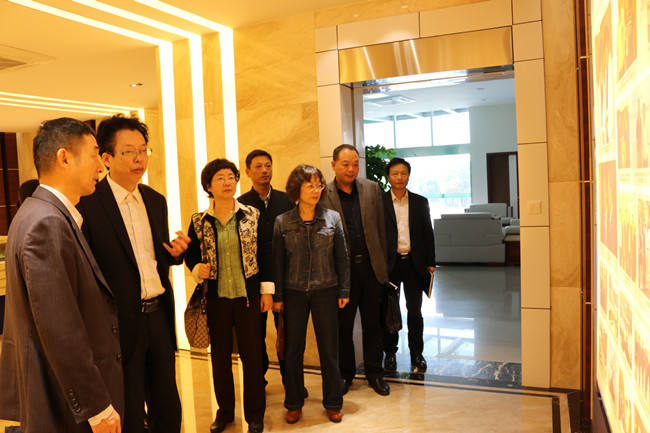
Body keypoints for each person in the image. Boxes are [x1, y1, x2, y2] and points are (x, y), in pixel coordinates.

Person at [0, 117, 123, 433]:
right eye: (94, 153)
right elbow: (61, 328)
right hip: (63, 406)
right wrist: (97, 408)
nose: (101, 166)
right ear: (65, 158)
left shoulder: (36, 212)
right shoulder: (47, 223)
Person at [76, 114, 188, 433]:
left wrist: (175, 255)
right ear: (107, 158)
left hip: (159, 316)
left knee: (167, 403)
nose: (139, 158)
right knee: (129, 404)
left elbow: (151, 260)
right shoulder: (88, 205)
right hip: (119, 324)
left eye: (143, 150)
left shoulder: (155, 200)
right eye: (129, 152)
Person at [185, 158, 273, 433]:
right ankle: (224, 413)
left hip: (248, 299)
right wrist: (198, 269)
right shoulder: (199, 221)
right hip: (217, 300)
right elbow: (191, 256)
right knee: (220, 359)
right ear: (208, 186)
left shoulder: (252, 215)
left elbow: (265, 253)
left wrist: (267, 291)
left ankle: (255, 415)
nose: (227, 182)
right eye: (220, 178)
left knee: (253, 358)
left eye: (231, 177)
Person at [272, 164, 350, 424]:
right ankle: (294, 403)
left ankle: (333, 403)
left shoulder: (332, 218)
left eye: (319, 185)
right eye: (309, 185)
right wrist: (278, 296)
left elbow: (342, 257)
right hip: (293, 292)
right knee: (293, 350)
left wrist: (344, 289)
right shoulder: (283, 222)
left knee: (329, 350)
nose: (316, 190)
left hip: (326, 290)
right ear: (297, 189)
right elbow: (277, 262)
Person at [320, 144, 391, 396]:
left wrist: (384, 268)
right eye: (345, 164)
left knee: (374, 324)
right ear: (333, 165)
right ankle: (345, 374)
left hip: (371, 269)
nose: (351, 169)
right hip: (342, 273)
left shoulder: (371, 188)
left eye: (355, 164)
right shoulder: (323, 194)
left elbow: (381, 230)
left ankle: (375, 373)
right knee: (343, 327)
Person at [237, 149, 295, 385]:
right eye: (258, 166)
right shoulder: (240, 204)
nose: (264, 170)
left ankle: (290, 380)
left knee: (286, 331)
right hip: (254, 278)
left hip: (284, 275)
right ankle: (258, 380)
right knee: (254, 333)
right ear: (248, 171)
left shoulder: (286, 200)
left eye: (268, 166)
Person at [382, 158, 436, 373]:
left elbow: (428, 234)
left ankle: (417, 354)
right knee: (390, 311)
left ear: (408, 175)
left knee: (415, 311)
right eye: (395, 173)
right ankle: (390, 354)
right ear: (388, 177)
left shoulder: (420, 202)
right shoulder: (380, 202)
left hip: (414, 264)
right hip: (390, 265)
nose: (399, 177)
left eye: (403, 173)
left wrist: (431, 262)